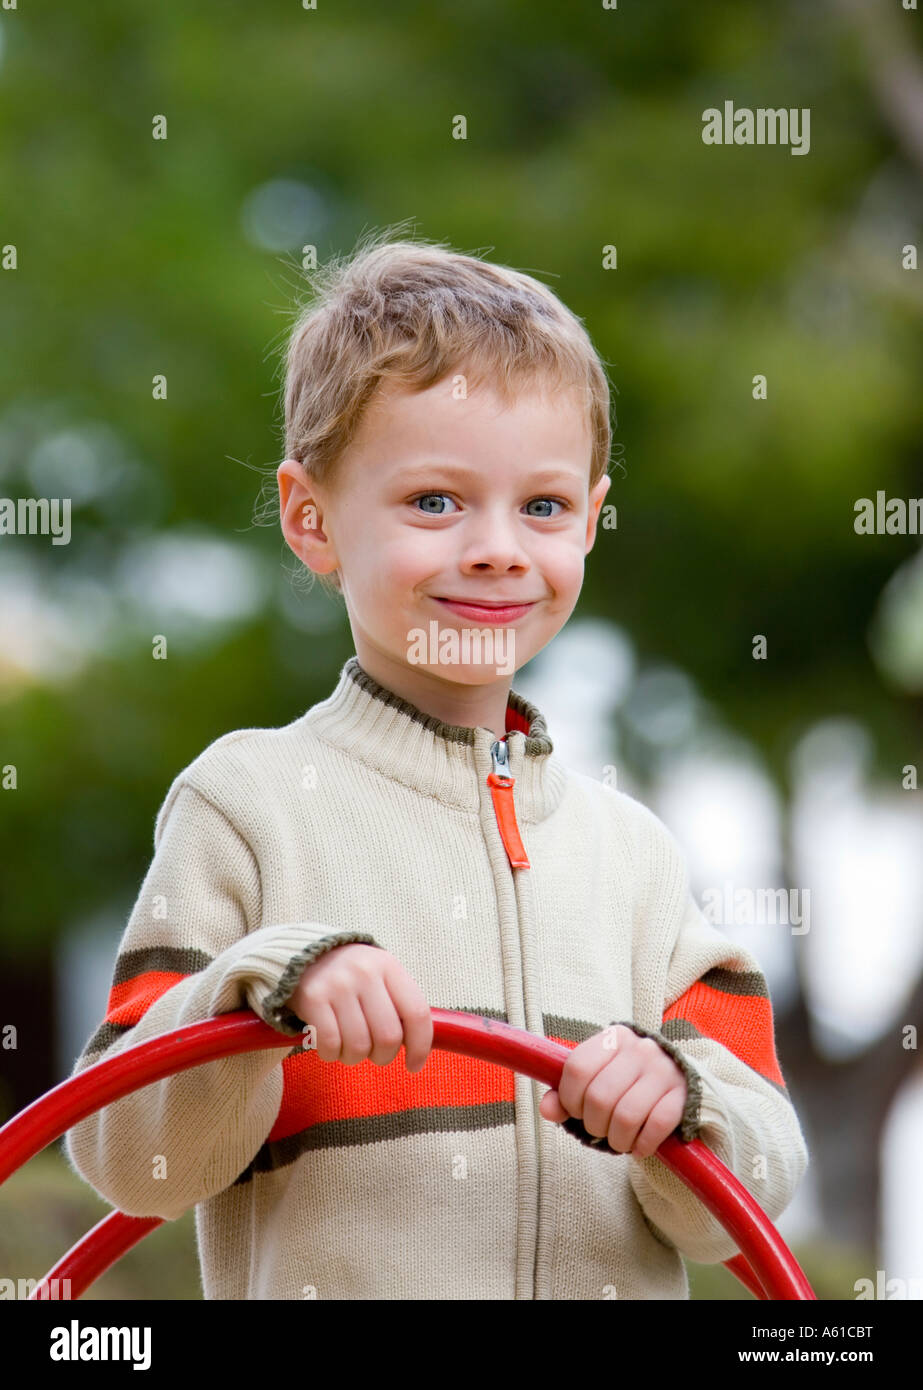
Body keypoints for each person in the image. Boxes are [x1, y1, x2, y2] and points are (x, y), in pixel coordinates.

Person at [65, 232, 809, 1299]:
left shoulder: (634, 860)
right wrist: (264, 985)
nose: (499, 547)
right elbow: (134, 1160)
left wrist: (678, 1095)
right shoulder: (247, 805)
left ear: (591, 523)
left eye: (542, 507)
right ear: (309, 518)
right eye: (434, 502)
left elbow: (741, 1196)